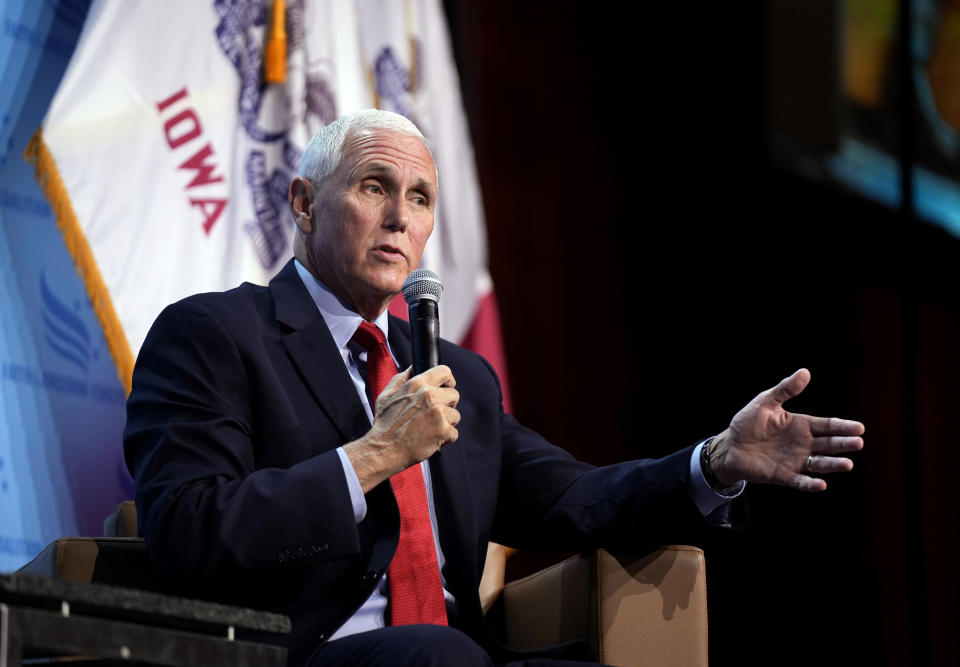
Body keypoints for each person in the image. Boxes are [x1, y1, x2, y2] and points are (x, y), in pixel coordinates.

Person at [124, 109, 865, 666]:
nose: (398, 218)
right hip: (302, 652)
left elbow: (577, 497)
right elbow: (189, 530)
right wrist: (376, 454)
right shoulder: (214, 335)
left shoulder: (459, 378)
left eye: (418, 199)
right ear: (304, 203)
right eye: (375, 187)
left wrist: (714, 461)